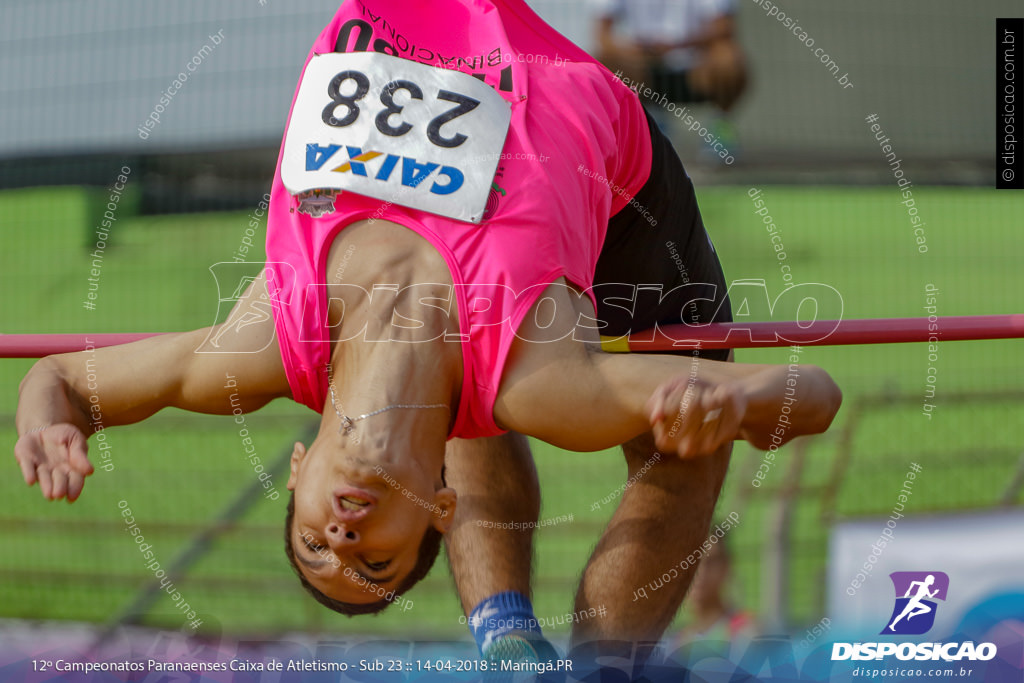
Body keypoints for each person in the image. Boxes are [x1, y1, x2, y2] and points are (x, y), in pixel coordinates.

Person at [13, 0, 840, 661]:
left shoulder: (265, 342)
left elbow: (64, 377)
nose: (342, 537)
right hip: (626, 198)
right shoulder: (543, 381)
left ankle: (508, 633)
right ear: (439, 511)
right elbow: (813, 394)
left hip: (406, 16)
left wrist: (46, 417)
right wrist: (735, 403)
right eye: (372, 559)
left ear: (298, 468)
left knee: (436, 390)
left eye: (312, 540)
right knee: (677, 451)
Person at [595, 0, 748, 155]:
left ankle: (720, 126)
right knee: (606, 60)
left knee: (728, 59)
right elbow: (603, 35)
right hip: (643, 66)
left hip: (696, 65)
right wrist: (635, 49)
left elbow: (723, 27)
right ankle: (645, 125)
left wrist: (679, 44)